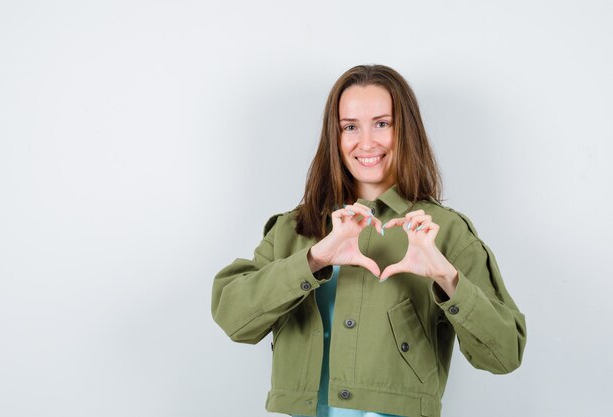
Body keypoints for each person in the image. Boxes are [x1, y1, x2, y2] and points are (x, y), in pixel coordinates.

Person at [211, 64, 526, 417]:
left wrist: (446, 277)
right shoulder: (294, 229)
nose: (366, 142)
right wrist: (314, 259)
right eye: (350, 127)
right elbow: (233, 318)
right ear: (335, 136)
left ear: (405, 130)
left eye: (382, 123)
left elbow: (505, 354)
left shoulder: (444, 231)